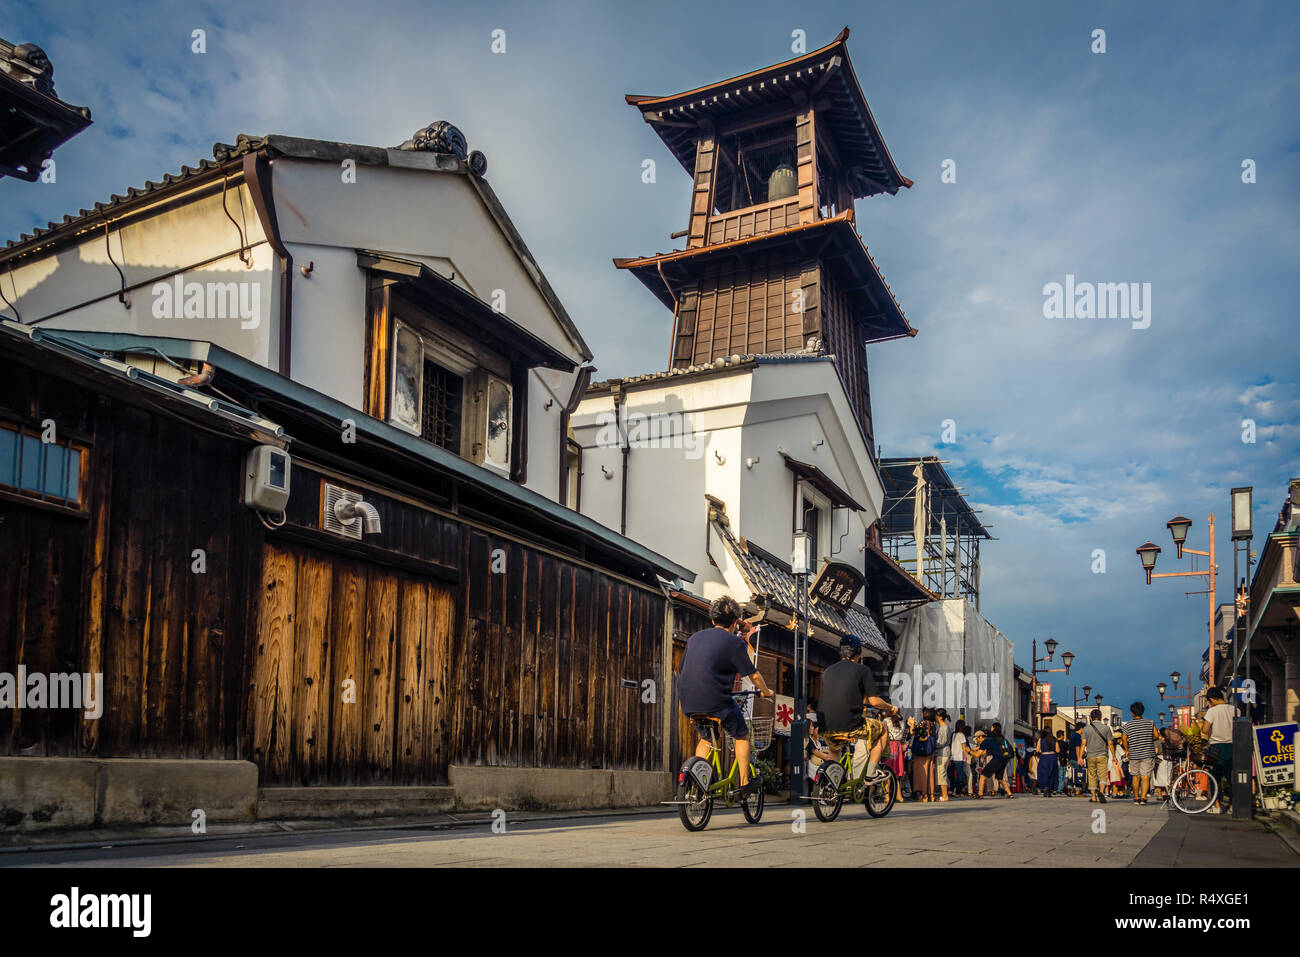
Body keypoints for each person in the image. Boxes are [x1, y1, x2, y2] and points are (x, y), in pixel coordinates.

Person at [677, 596, 774, 795]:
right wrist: (767, 692)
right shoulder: (735, 643)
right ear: (735, 621)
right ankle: (745, 783)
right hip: (716, 700)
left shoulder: (694, 638)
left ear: (713, 620)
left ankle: (698, 785)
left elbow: (681, 669)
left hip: (688, 700)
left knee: (706, 738)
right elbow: (753, 675)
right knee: (741, 735)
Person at [816, 635, 899, 784]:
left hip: (825, 724)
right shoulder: (862, 670)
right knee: (883, 728)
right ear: (858, 653)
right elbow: (873, 701)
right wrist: (890, 707)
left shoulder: (827, 671)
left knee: (835, 750)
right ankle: (871, 773)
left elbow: (853, 698)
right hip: (851, 724)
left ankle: (828, 786)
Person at [1199, 687, 1236, 814]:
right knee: (1232, 777)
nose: (1209, 704)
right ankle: (1233, 806)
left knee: (1215, 777)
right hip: (1233, 746)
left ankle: (1217, 805)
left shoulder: (1212, 711)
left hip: (1216, 747)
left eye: (1209, 702)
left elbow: (1204, 729)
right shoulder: (1235, 709)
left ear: (1212, 700)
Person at [1121, 702, 1158, 805]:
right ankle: (1143, 798)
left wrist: (1127, 749)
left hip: (1134, 753)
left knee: (1135, 776)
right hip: (1148, 753)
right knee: (1145, 776)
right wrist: (1149, 739)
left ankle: (1136, 798)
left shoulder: (1128, 725)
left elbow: (1124, 739)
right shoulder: (1150, 723)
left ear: (1132, 713)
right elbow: (1156, 735)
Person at [1080, 709, 1114, 803]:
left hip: (1090, 755)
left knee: (1092, 775)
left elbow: (1083, 744)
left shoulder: (1086, 729)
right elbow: (1110, 743)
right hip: (1103, 755)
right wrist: (1114, 756)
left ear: (1090, 718)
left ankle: (1094, 797)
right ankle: (1102, 792)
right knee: (1103, 775)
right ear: (1101, 717)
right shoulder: (1106, 728)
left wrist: (1080, 757)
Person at [975, 723, 1014, 798]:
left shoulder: (990, 737)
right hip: (1004, 759)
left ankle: (980, 794)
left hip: (996, 758)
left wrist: (971, 751)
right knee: (1000, 777)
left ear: (993, 728)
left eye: (992, 727)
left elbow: (981, 751)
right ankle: (1010, 794)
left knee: (983, 775)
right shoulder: (1002, 737)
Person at [910, 709, 937, 801]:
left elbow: (913, 732)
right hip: (930, 751)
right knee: (929, 772)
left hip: (921, 751)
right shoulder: (933, 724)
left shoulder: (923, 722)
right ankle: (931, 794)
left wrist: (912, 724)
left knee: (922, 772)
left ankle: (924, 794)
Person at [884, 709, 907, 802]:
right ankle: (899, 795)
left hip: (889, 746)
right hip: (898, 746)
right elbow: (903, 735)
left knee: (887, 772)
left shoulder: (885, 721)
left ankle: (887, 796)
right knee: (896, 773)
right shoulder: (902, 721)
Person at [934, 709, 953, 802]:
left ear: (940, 717)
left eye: (936, 715)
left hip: (942, 752)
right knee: (941, 774)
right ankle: (943, 794)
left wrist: (932, 744)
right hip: (943, 752)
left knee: (942, 774)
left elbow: (941, 742)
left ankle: (945, 795)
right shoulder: (943, 727)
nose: (935, 717)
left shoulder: (943, 727)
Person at [1036, 726, 1058, 796]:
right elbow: (1058, 750)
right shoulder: (1054, 739)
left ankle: (1045, 786)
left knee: (1043, 773)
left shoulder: (1041, 739)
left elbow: (1037, 749)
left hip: (1044, 757)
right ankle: (1050, 789)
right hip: (1053, 757)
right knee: (1052, 773)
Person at [951, 721, 970, 797]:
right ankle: (956, 791)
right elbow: (964, 747)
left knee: (955, 775)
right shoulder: (961, 735)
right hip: (959, 757)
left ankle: (953, 790)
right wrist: (967, 757)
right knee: (960, 776)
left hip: (953, 757)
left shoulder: (954, 734)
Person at [1068, 721, 1086, 797]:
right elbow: (1077, 747)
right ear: (1081, 728)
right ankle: (1078, 791)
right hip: (1076, 758)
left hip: (1072, 757)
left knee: (1072, 775)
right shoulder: (1078, 736)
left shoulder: (1072, 735)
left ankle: (1069, 788)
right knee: (1078, 774)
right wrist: (1079, 758)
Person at [1054, 729, 1070, 794]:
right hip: (1063, 761)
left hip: (1054, 760)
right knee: (1062, 776)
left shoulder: (1054, 742)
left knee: (1056, 776)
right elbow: (1068, 752)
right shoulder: (1065, 743)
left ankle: (1056, 788)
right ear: (1062, 736)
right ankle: (1059, 789)